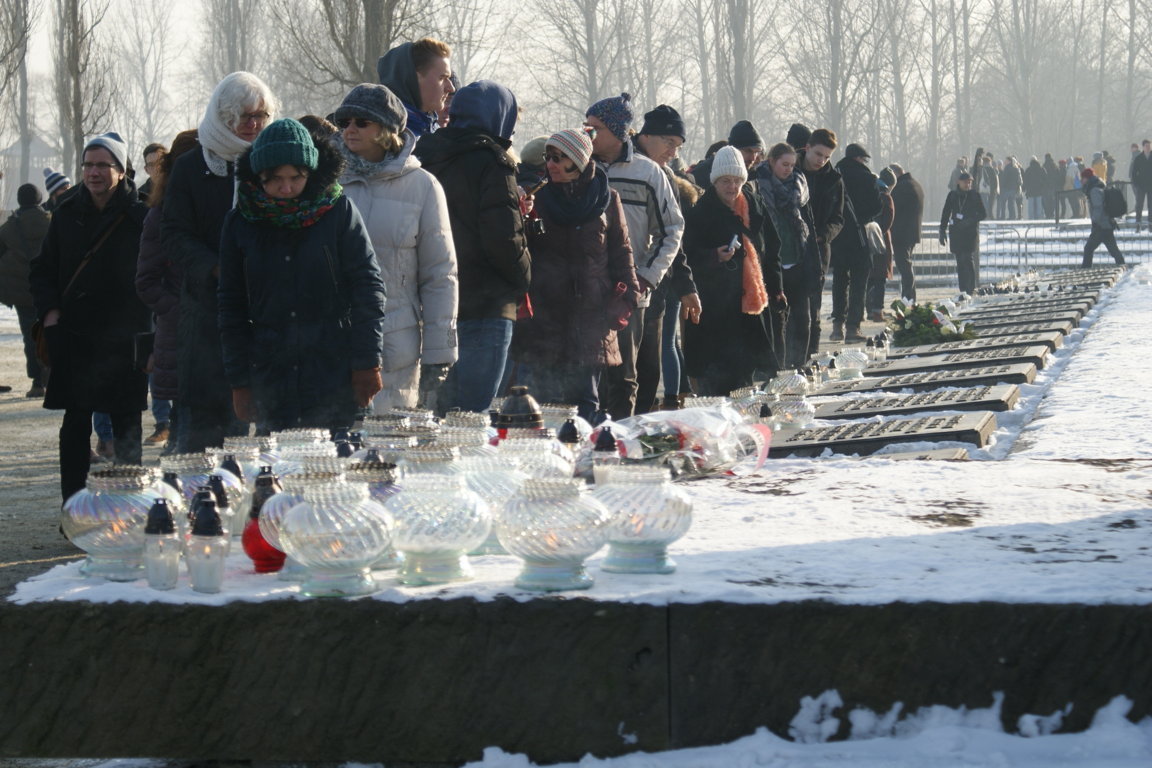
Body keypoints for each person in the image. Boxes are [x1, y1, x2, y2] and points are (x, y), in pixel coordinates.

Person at [218, 118, 386, 431]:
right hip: (271, 372)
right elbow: (231, 304)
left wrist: (367, 361)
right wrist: (239, 381)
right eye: (275, 179)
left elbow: (368, 287)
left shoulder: (338, 212)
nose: (286, 188)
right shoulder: (241, 222)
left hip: (333, 369)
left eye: (296, 177)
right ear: (258, 176)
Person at [29, 132, 151, 502]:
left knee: (127, 424)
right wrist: (50, 316)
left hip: (126, 337)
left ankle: (130, 506)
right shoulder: (66, 211)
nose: (94, 173)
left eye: (103, 165)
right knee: (75, 425)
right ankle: (73, 507)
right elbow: (42, 270)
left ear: (121, 170)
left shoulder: (141, 215)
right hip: (75, 333)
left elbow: (160, 273)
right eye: (88, 165)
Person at [162, 71, 278, 452]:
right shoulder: (192, 167)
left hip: (264, 314)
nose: (252, 125)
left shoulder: (274, 166)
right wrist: (214, 267)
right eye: (244, 116)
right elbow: (175, 233)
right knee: (205, 432)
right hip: (206, 314)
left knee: (264, 431)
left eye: (260, 116)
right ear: (224, 116)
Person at [334, 83, 458, 413]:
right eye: (344, 121)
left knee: (389, 453)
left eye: (361, 122)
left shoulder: (423, 187)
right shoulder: (327, 184)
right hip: (331, 344)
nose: (349, 129)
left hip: (395, 346)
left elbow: (440, 275)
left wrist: (439, 355)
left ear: (387, 130)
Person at [414, 79, 531, 414]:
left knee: (438, 413)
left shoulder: (424, 154)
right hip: (486, 302)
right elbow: (503, 237)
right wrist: (524, 277)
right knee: (470, 416)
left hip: (435, 301)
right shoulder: (492, 161)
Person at [510, 128, 639, 419]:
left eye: (559, 158)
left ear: (579, 161)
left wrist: (625, 298)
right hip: (546, 318)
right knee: (541, 409)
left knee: (586, 407)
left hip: (591, 318)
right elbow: (521, 250)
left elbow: (622, 251)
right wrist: (522, 216)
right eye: (548, 158)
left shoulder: (606, 199)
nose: (551, 165)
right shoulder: (537, 198)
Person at [584, 93, 684, 419]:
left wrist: (646, 277)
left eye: (595, 127)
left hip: (630, 294)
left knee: (625, 377)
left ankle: (624, 444)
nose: (588, 133)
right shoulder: (580, 168)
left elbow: (672, 229)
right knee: (588, 380)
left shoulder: (648, 173)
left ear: (617, 130)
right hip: (585, 293)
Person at [682, 146, 783, 394]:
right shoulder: (701, 212)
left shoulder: (754, 206)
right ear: (716, 181)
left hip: (749, 307)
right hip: (714, 309)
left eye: (737, 180)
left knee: (745, 379)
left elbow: (771, 250)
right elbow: (686, 255)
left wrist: (777, 288)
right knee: (716, 381)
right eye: (726, 181)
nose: (732, 186)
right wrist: (713, 256)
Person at [631, 104, 700, 413]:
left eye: (678, 146)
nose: (674, 152)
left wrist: (686, 287)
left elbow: (675, 238)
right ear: (647, 136)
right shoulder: (619, 165)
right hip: (619, 286)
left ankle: (642, 429)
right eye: (669, 142)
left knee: (648, 369)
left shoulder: (667, 178)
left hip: (655, 288)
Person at [136, 130, 198, 456]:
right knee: (186, 441)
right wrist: (184, 311)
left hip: (221, 340)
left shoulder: (223, 208)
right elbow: (147, 281)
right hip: (180, 338)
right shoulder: (159, 214)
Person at [755, 142, 820, 369]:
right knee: (777, 323)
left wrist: (814, 263)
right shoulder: (759, 187)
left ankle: (798, 367)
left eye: (792, 165)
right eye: (784, 164)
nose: (788, 170)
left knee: (803, 321)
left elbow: (808, 227)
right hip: (773, 265)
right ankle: (779, 371)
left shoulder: (799, 189)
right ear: (771, 161)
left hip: (798, 261)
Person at [795, 128, 843, 357]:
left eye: (826, 157)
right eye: (818, 154)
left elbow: (838, 218)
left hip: (818, 248)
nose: (821, 161)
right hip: (790, 246)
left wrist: (822, 235)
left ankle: (810, 355)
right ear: (807, 148)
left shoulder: (834, 179)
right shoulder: (789, 170)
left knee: (813, 307)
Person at [0, 184, 51, 397]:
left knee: (30, 337)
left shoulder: (9, 228)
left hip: (22, 294)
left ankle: (37, 382)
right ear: (39, 199)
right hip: (48, 290)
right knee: (50, 333)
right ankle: (52, 376)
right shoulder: (50, 223)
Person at [829, 142, 880, 342]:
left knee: (839, 281)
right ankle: (853, 327)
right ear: (859, 158)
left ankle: (836, 327)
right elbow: (877, 207)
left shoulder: (833, 174)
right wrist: (861, 218)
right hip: (858, 236)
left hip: (837, 236)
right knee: (859, 282)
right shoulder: (867, 178)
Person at [376, 37, 456, 138]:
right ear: (413, 78)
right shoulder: (386, 140)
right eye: (442, 78)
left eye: (448, 78)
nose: (451, 88)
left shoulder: (431, 128)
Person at [939, 171, 986, 295]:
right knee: (960, 260)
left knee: (968, 259)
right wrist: (942, 230)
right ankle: (963, 289)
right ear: (958, 182)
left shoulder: (974, 195)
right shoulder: (953, 195)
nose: (968, 184)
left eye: (970, 182)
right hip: (956, 233)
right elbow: (946, 212)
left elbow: (983, 214)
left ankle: (971, 288)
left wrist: (970, 220)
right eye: (965, 182)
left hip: (970, 233)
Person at [691, 120, 764, 192]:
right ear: (733, 148)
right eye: (748, 151)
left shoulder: (753, 176)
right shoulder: (703, 173)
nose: (753, 158)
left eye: (756, 152)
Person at [887, 162, 924, 302]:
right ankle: (908, 296)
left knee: (905, 266)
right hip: (911, 232)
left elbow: (894, 209)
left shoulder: (901, 187)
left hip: (901, 233)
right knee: (906, 265)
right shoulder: (915, 184)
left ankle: (908, 297)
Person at [1080, 168, 1125, 267]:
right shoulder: (1097, 187)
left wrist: (1095, 222)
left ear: (1087, 178)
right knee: (1113, 250)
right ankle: (1122, 265)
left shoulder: (1094, 190)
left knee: (1088, 248)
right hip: (1106, 225)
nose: (1081, 180)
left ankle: (1085, 270)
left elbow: (1098, 207)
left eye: (1083, 178)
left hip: (1101, 226)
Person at [866, 176, 895, 322]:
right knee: (880, 278)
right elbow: (888, 220)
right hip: (881, 241)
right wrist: (878, 231)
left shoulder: (864, 195)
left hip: (865, 239)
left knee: (869, 278)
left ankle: (869, 310)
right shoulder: (885, 197)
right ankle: (878, 311)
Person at [1131, 140, 1152, 231]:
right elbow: (1134, 173)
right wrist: (1136, 184)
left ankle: (1151, 226)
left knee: (1151, 206)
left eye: (1150, 146)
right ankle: (1138, 225)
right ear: (1143, 147)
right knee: (1139, 205)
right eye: (1147, 146)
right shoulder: (1139, 158)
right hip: (1141, 186)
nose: (1148, 147)